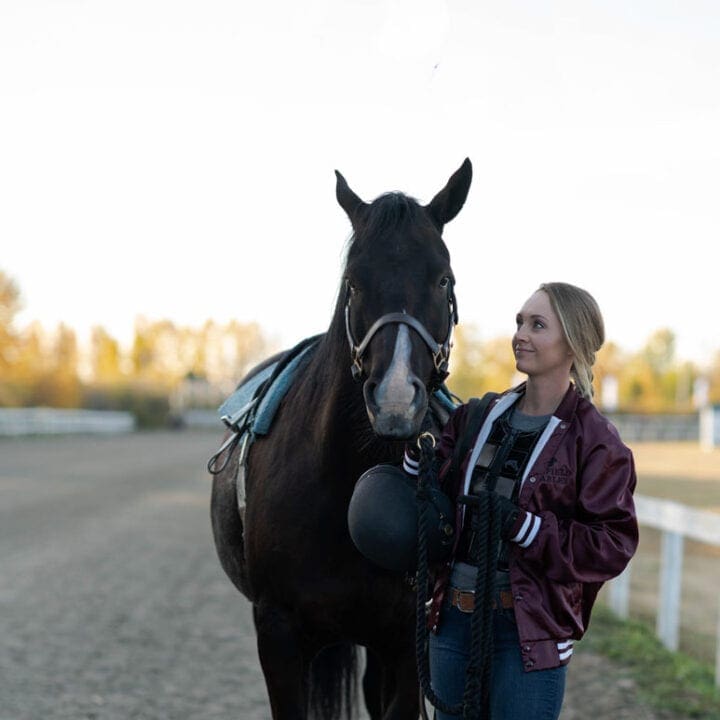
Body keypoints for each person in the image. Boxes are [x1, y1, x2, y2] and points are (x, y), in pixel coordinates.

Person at [403, 281, 639, 720]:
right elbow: (433, 496)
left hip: (529, 634)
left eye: (537, 324)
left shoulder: (596, 441)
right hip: (452, 622)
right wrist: (418, 464)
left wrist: (527, 528)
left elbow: (612, 544)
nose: (520, 334)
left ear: (572, 342)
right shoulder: (475, 417)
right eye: (519, 322)